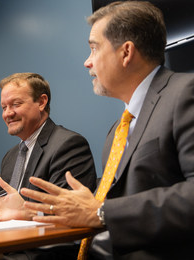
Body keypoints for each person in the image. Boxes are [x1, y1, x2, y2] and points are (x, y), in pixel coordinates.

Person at [18, 1, 194, 259]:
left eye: (93, 48)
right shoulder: (116, 131)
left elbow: (102, 212)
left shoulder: (186, 92)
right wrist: (30, 211)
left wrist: (103, 212)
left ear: (126, 53)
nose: (87, 63)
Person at [0, 72, 97, 223]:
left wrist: (26, 211)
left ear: (42, 102)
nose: (8, 113)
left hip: (44, 244)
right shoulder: (10, 157)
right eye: (4, 107)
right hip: (9, 240)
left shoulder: (68, 145)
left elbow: (70, 212)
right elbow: (3, 206)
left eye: (16, 104)